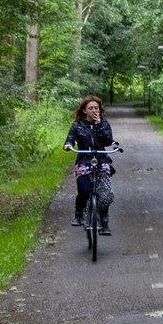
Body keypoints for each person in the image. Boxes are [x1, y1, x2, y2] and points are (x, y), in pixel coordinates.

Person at [63, 95, 115, 236]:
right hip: (84, 162)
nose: (94, 110)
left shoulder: (104, 124)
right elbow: (70, 140)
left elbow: (108, 141)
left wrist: (98, 126)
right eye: (90, 108)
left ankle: (104, 222)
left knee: (105, 195)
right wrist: (68, 145)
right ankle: (78, 214)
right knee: (84, 191)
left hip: (101, 161)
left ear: (100, 110)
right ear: (84, 110)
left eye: (96, 108)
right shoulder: (77, 125)